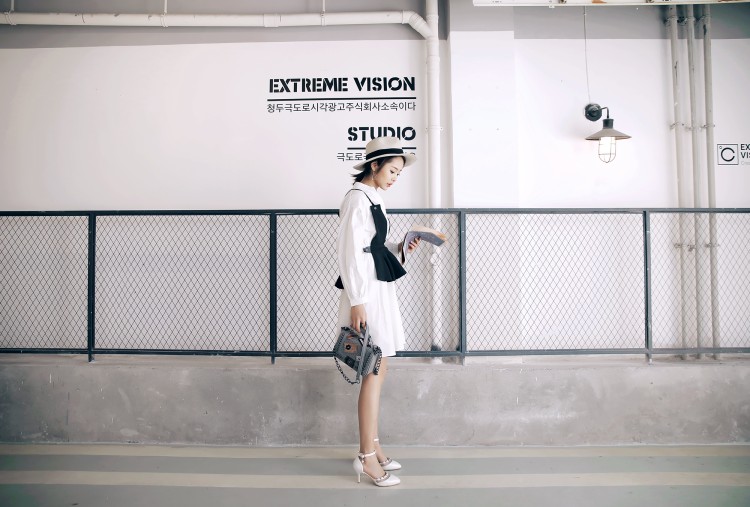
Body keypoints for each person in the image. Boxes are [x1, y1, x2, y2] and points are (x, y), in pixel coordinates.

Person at [335, 136, 420, 487]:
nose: (395, 177)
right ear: (374, 165)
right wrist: (357, 300)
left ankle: (374, 446)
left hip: (375, 288)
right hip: (366, 292)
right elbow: (350, 252)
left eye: (399, 173)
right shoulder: (357, 199)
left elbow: (373, 247)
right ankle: (366, 457)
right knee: (373, 369)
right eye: (392, 171)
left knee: (379, 369)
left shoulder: (373, 197)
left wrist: (401, 247)